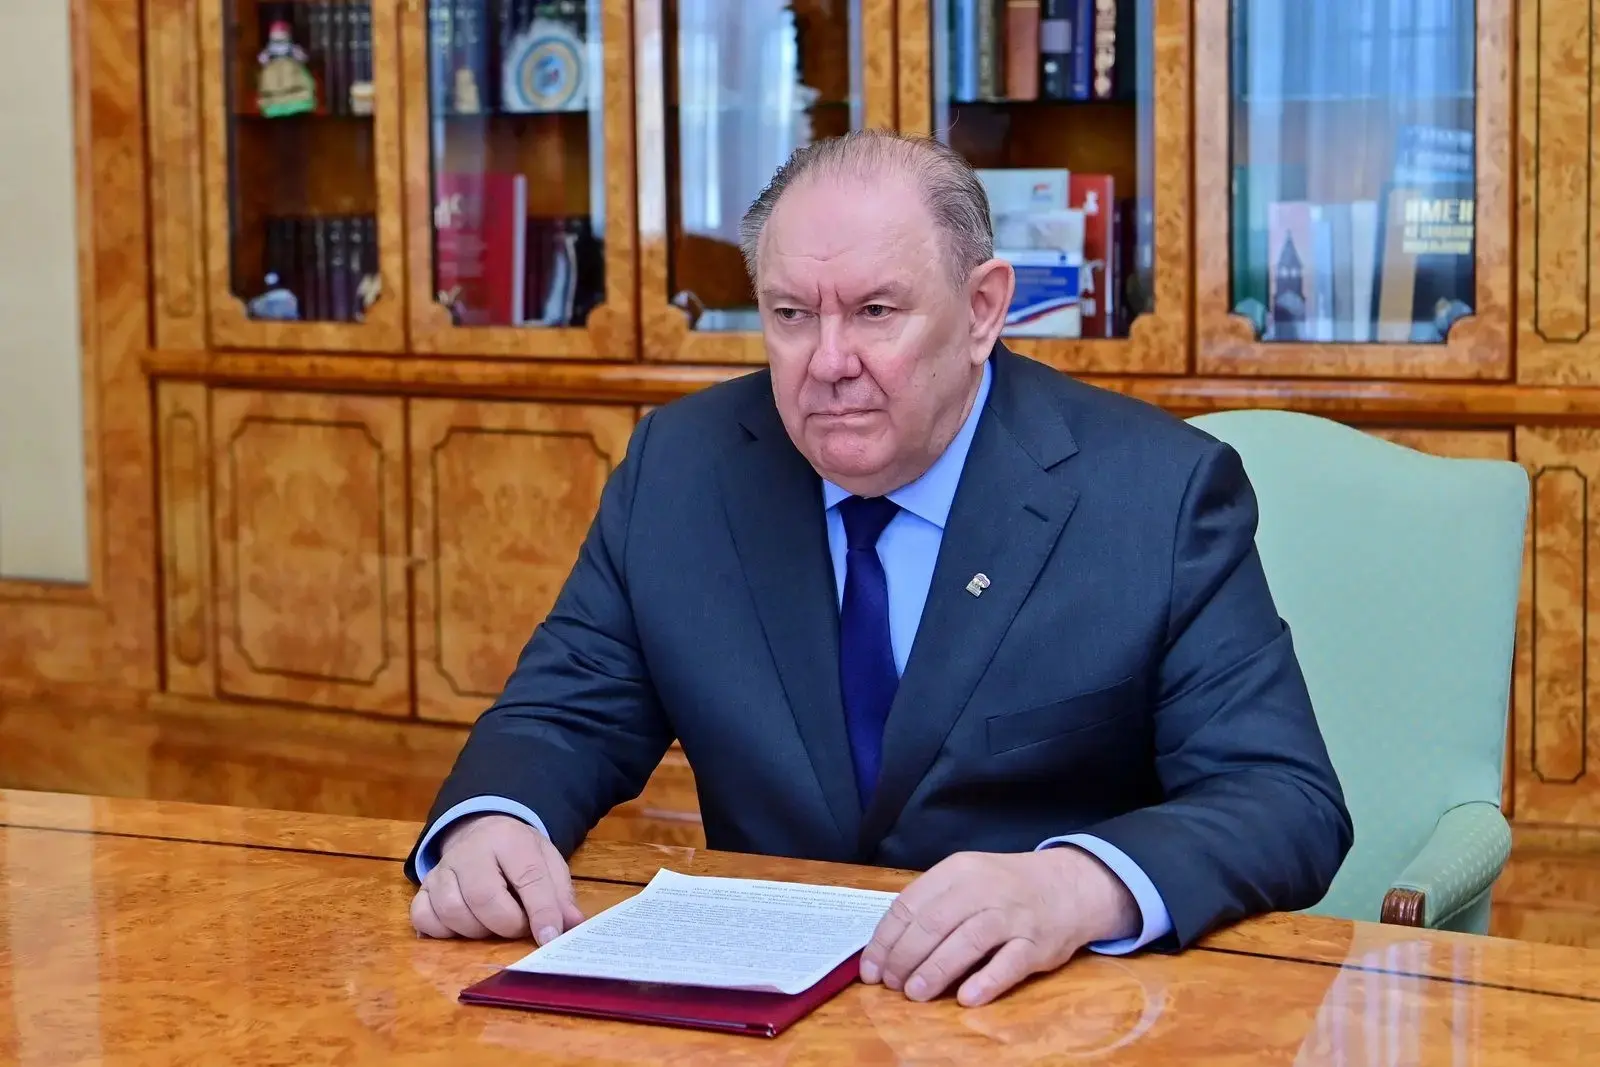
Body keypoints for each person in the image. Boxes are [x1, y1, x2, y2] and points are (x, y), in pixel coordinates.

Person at [404, 130, 1353, 1008]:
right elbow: (564, 713)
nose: (828, 361)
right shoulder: (683, 468)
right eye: (790, 315)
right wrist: (495, 823)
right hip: (760, 1007)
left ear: (983, 309)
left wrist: (1075, 884)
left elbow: (1283, 797)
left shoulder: (1157, 494)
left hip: (1043, 1012)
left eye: (875, 312)